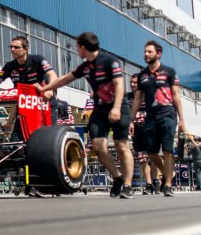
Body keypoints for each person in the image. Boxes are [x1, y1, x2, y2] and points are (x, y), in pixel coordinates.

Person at [38, 32, 134, 199]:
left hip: (119, 107)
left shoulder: (110, 61)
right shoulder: (85, 67)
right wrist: (44, 88)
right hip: (100, 110)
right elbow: (65, 79)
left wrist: (117, 108)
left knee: (121, 146)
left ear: (83, 47)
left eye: (77, 47)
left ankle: (128, 185)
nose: (77, 51)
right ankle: (117, 178)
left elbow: (119, 84)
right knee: (97, 146)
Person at [131, 40, 185, 197]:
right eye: (145, 51)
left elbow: (176, 95)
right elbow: (137, 99)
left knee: (167, 150)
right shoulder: (142, 75)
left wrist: (182, 119)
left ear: (158, 54)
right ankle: (168, 174)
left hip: (168, 114)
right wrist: (131, 120)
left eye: (149, 52)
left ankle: (167, 185)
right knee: (152, 152)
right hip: (150, 117)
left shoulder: (169, 72)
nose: (146, 54)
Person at [0, 36, 57, 141]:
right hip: (25, 105)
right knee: (15, 140)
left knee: (47, 139)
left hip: (45, 104)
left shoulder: (38, 60)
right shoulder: (9, 66)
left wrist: (50, 89)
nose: (12, 49)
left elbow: (52, 75)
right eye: (11, 47)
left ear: (26, 49)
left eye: (16, 47)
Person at [127, 76, 153, 195]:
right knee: (142, 156)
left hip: (150, 127)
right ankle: (149, 184)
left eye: (135, 82)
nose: (133, 84)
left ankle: (157, 180)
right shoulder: (128, 97)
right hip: (136, 128)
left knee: (153, 155)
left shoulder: (148, 96)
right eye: (131, 82)